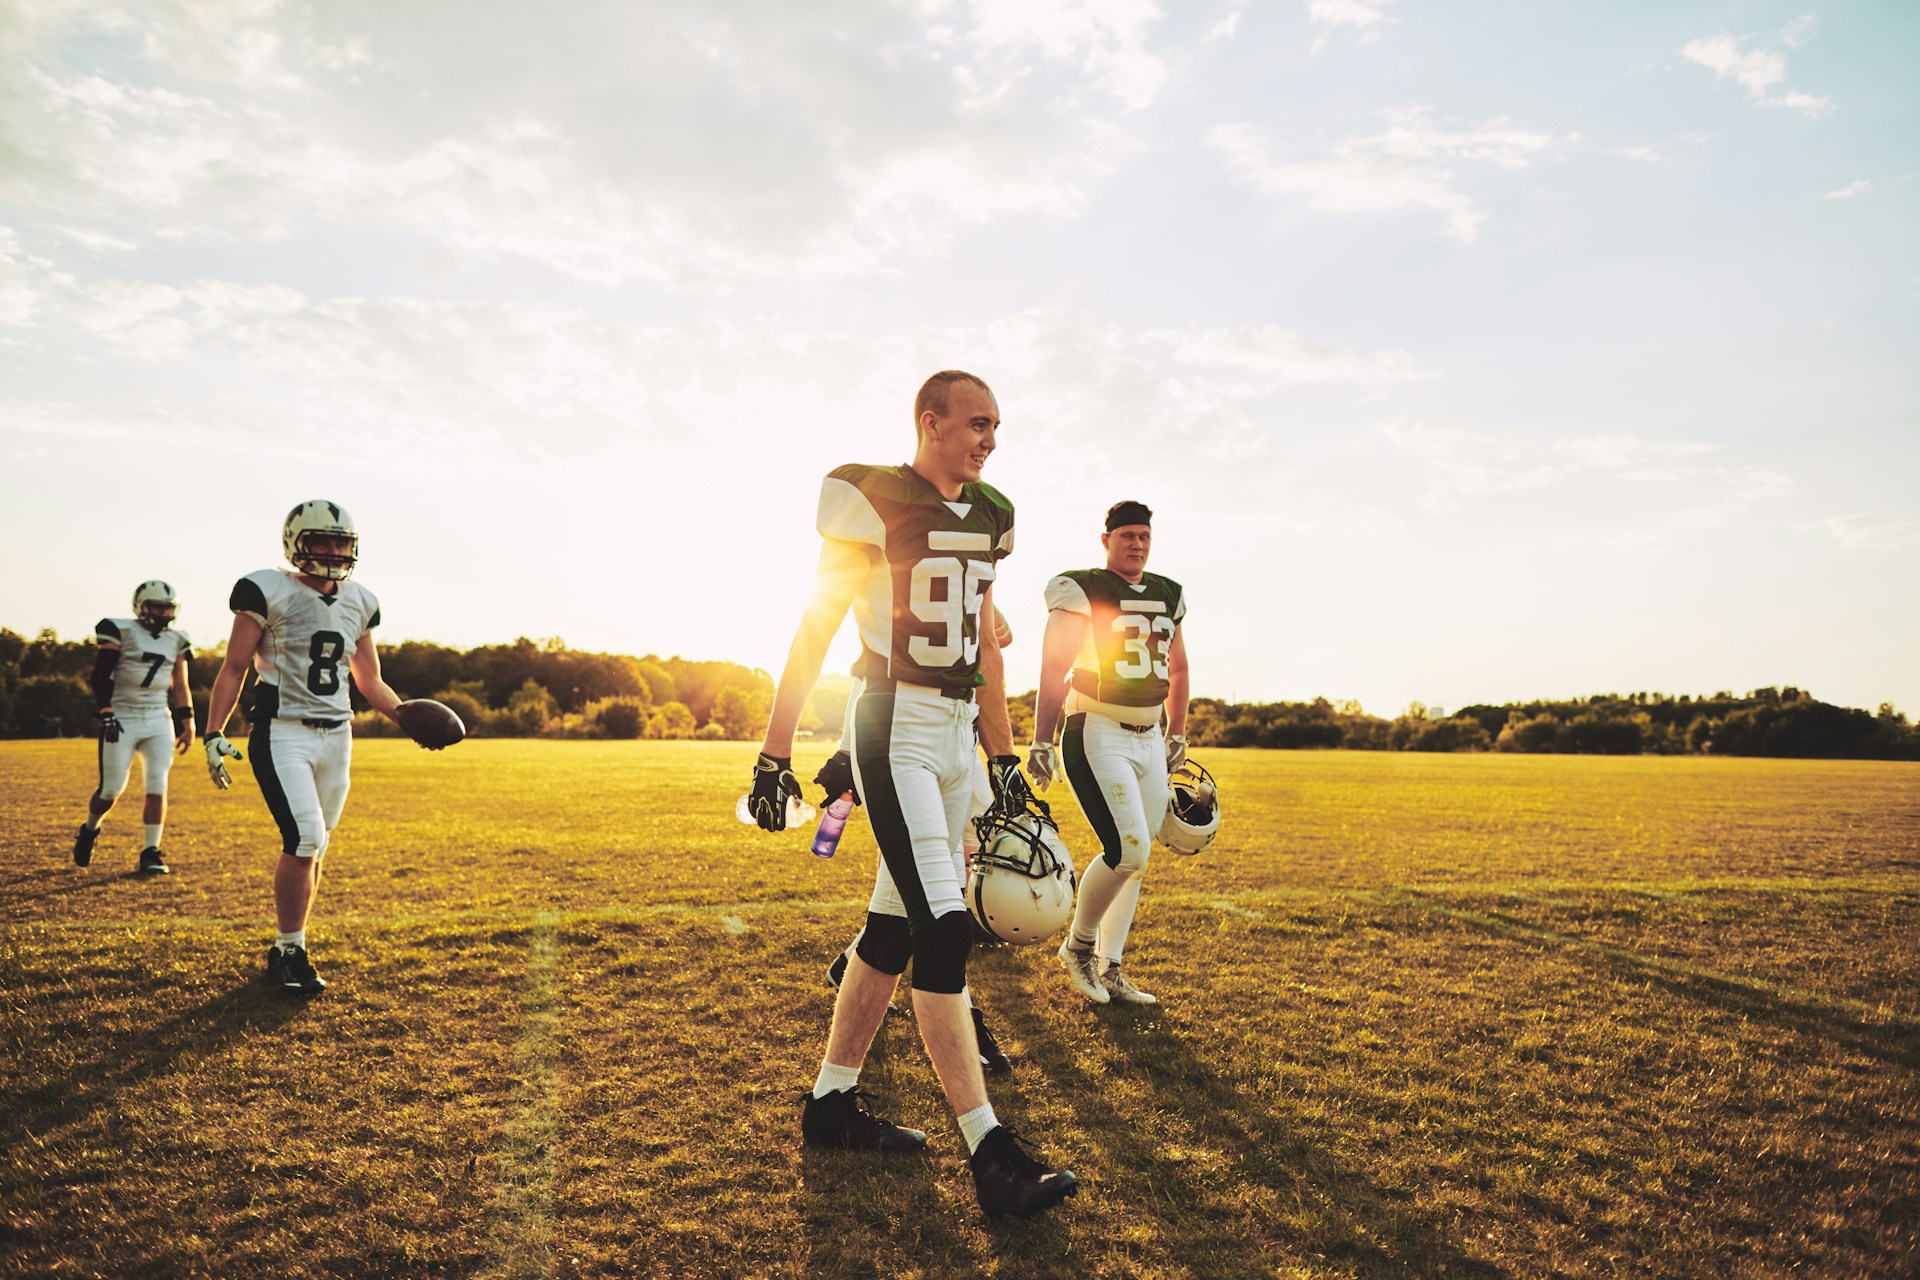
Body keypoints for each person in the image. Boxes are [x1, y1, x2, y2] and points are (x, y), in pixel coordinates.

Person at [747, 370, 1076, 1218]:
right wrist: (775, 750)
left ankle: (830, 1104)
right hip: (892, 719)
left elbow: (989, 647)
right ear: (930, 422)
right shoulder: (874, 501)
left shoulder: (993, 514)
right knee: (945, 928)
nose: (990, 439)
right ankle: (989, 1150)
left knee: (891, 931)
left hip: (957, 734)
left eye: (997, 426)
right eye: (976, 423)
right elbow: (814, 626)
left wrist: (1003, 760)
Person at [201, 501, 406, 996]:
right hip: (282, 730)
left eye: (342, 543)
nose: (334, 552)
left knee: (316, 845)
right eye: (322, 541)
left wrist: (408, 717)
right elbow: (234, 667)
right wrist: (213, 732)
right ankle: (289, 950)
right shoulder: (266, 589)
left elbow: (369, 678)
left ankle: (288, 945)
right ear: (297, 542)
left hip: (338, 733)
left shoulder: (361, 599)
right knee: (306, 838)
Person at [818, 606, 1015, 1072]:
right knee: (942, 888)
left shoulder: (972, 556)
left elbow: (984, 641)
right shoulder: (897, 553)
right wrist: (848, 748)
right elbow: (869, 660)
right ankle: (963, 1020)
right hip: (903, 729)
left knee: (926, 880)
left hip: (958, 731)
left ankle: (853, 964)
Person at [1027, 501, 1190, 1006]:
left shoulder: (1168, 593)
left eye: (1143, 536)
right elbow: (1054, 666)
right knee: (1129, 849)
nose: (1136, 544)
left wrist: (1178, 732)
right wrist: (1040, 737)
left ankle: (1111, 965)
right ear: (1106, 540)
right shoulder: (1083, 587)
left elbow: (1179, 670)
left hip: (1147, 735)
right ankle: (1078, 948)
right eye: (1126, 536)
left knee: (1137, 861)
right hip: (1097, 728)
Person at [73, 581, 195, 874]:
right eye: (159, 607)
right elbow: (101, 674)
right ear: (142, 607)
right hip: (122, 716)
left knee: (157, 785)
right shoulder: (121, 630)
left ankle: (150, 852)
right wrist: (106, 710)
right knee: (111, 789)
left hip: (157, 717)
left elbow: (180, 682)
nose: (165, 613)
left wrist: (188, 721)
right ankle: (90, 829)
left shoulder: (177, 639)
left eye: (169, 607)